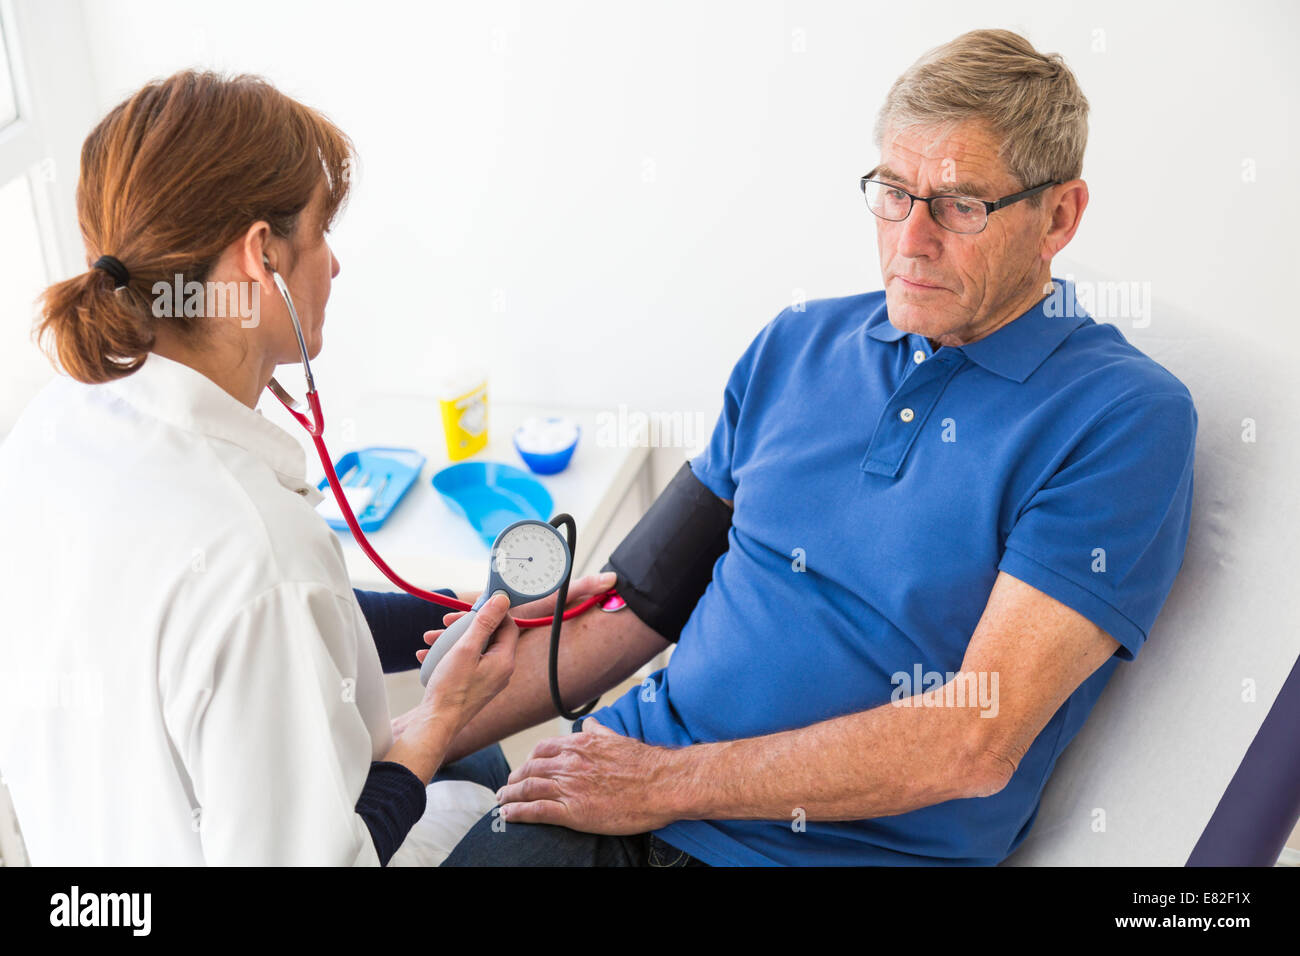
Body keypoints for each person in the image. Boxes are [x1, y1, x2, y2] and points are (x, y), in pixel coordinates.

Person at [435, 28, 1199, 866]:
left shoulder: (1122, 418)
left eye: (961, 206)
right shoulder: (795, 343)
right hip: (612, 785)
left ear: (1059, 215)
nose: (912, 240)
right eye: (894, 192)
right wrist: (401, 741)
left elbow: (973, 740)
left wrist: (663, 784)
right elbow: (640, 605)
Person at [0, 70, 608, 865]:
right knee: (495, 775)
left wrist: (469, 605)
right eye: (321, 232)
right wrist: (436, 720)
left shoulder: (52, 425)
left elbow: (291, 616)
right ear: (262, 257)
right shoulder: (253, 547)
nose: (334, 265)